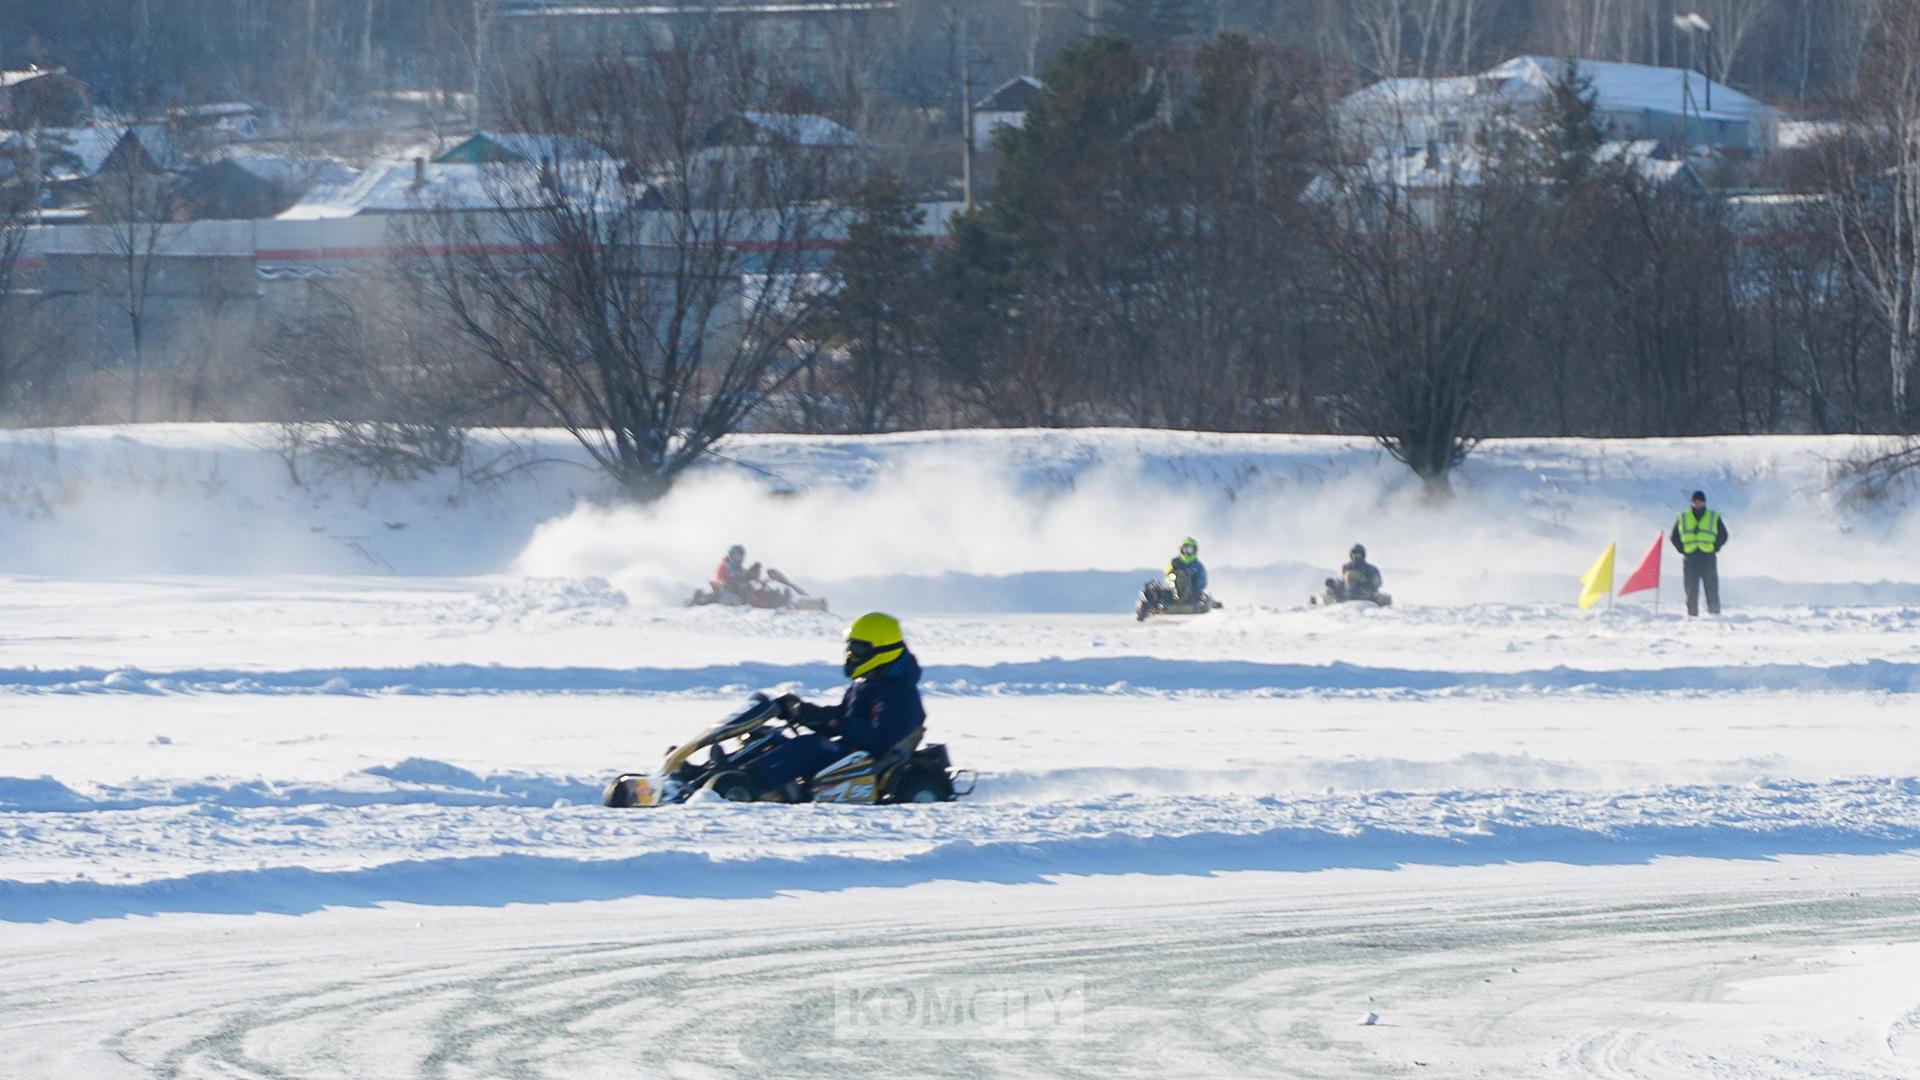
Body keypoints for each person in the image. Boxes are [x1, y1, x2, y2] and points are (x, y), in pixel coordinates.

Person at [752, 612, 927, 795]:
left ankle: (748, 784)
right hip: (851, 747)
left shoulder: (900, 692)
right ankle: (731, 770)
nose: (851, 654)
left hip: (868, 758)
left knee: (810, 745)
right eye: (850, 647)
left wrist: (835, 724)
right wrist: (804, 713)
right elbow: (844, 715)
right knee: (772, 738)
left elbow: (881, 738)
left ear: (882, 650)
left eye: (858, 649)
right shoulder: (867, 683)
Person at [1670, 490, 1729, 616]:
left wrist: (1715, 547)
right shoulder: (1683, 517)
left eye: (1700, 502)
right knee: (1691, 590)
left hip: (1708, 557)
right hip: (1690, 558)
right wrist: (1682, 549)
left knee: (1711, 589)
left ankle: (1715, 615)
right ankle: (1692, 616)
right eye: (1695, 501)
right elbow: (1674, 536)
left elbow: (1723, 535)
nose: (1698, 504)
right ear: (1691, 502)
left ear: (1704, 502)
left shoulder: (1713, 516)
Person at [1166, 537, 1208, 604]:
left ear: (1194, 551)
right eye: (1184, 550)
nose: (1186, 553)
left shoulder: (1198, 566)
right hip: (1173, 593)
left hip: (1192, 595)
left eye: (1189, 550)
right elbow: (1167, 576)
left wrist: (1193, 583)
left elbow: (1202, 581)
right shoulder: (1174, 562)